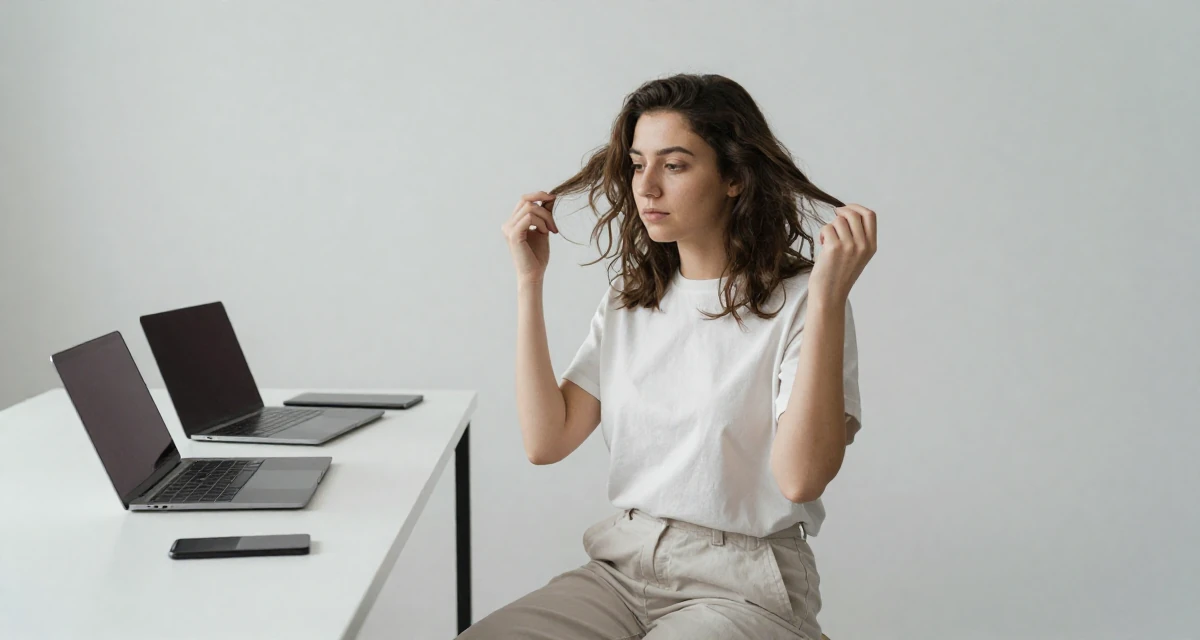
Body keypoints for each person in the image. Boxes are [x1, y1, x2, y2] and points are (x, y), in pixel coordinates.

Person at [469, 73, 877, 640]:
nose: (647, 187)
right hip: (623, 567)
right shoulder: (631, 299)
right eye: (638, 165)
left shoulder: (805, 300)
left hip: (743, 583)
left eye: (675, 165)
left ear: (735, 177)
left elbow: (801, 479)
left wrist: (828, 297)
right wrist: (528, 282)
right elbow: (547, 441)